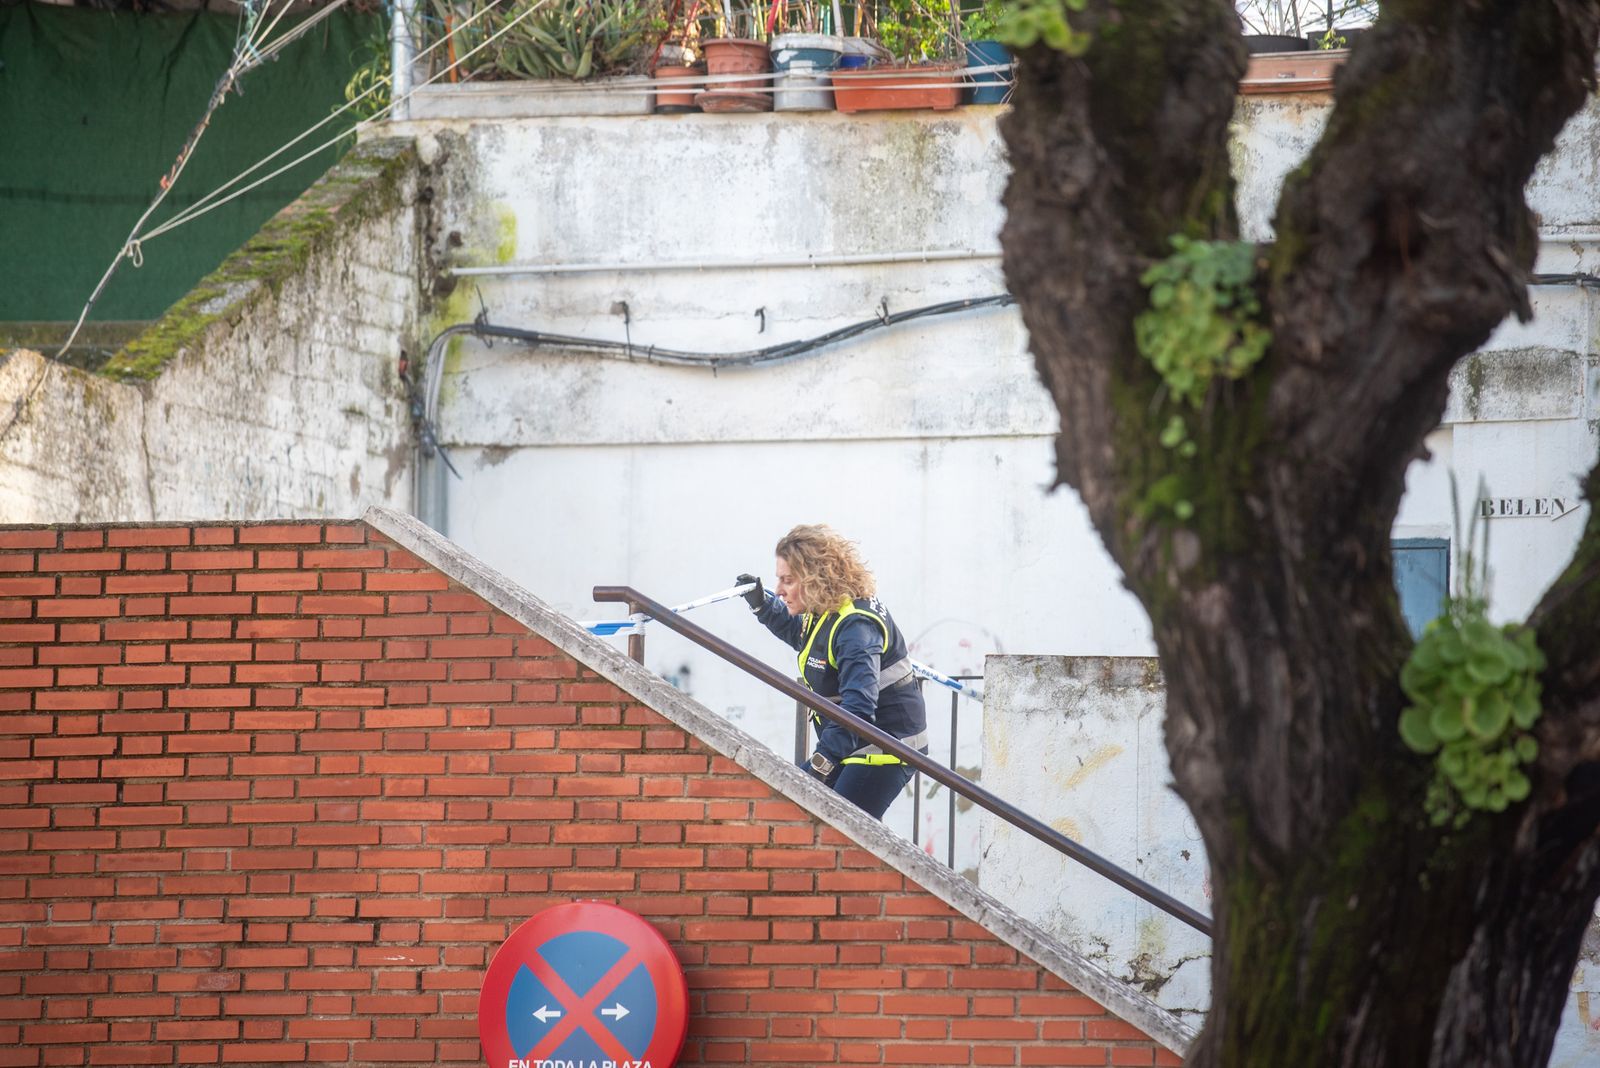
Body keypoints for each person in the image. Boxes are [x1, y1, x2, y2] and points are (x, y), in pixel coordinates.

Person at [736, 525, 928, 819]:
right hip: (853, 740)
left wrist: (820, 764)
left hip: (885, 747)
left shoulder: (855, 627)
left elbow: (859, 708)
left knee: (836, 837)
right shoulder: (826, 609)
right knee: (810, 823)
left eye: (788, 580)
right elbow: (805, 639)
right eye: (779, 580)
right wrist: (763, 605)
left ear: (815, 578)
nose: (780, 589)